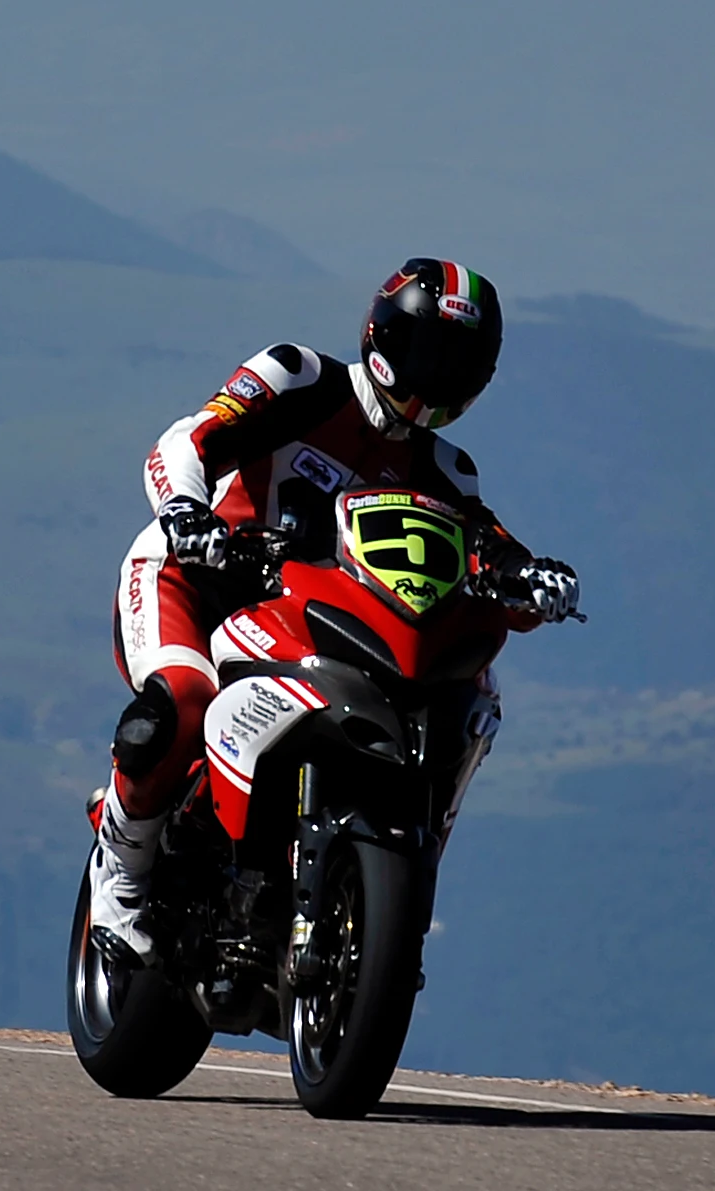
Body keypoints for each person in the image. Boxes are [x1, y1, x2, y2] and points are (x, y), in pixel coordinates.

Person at [87, 258, 578, 964]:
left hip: (309, 615)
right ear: (381, 334)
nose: (436, 375)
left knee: (465, 696)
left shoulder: (447, 469)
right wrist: (186, 514)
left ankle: (361, 880)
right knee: (183, 700)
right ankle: (121, 883)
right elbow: (187, 440)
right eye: (424, 352)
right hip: (195, 578)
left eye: (458, 364)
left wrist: (529, 577)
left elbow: (487, 546)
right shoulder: (299, 378)